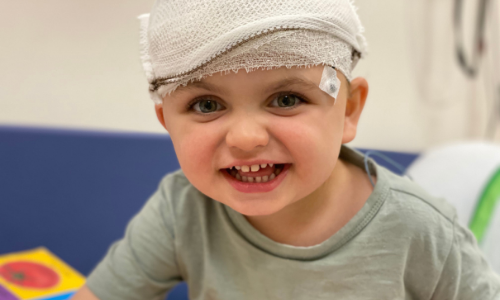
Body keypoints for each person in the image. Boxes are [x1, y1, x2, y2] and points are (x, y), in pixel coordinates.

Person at [72, 0, 500, 299]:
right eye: (206, 105)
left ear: (348, 110)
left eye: (286, 100)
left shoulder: (423, 230)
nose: (245, 137)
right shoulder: (181, 210)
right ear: (167, 123)